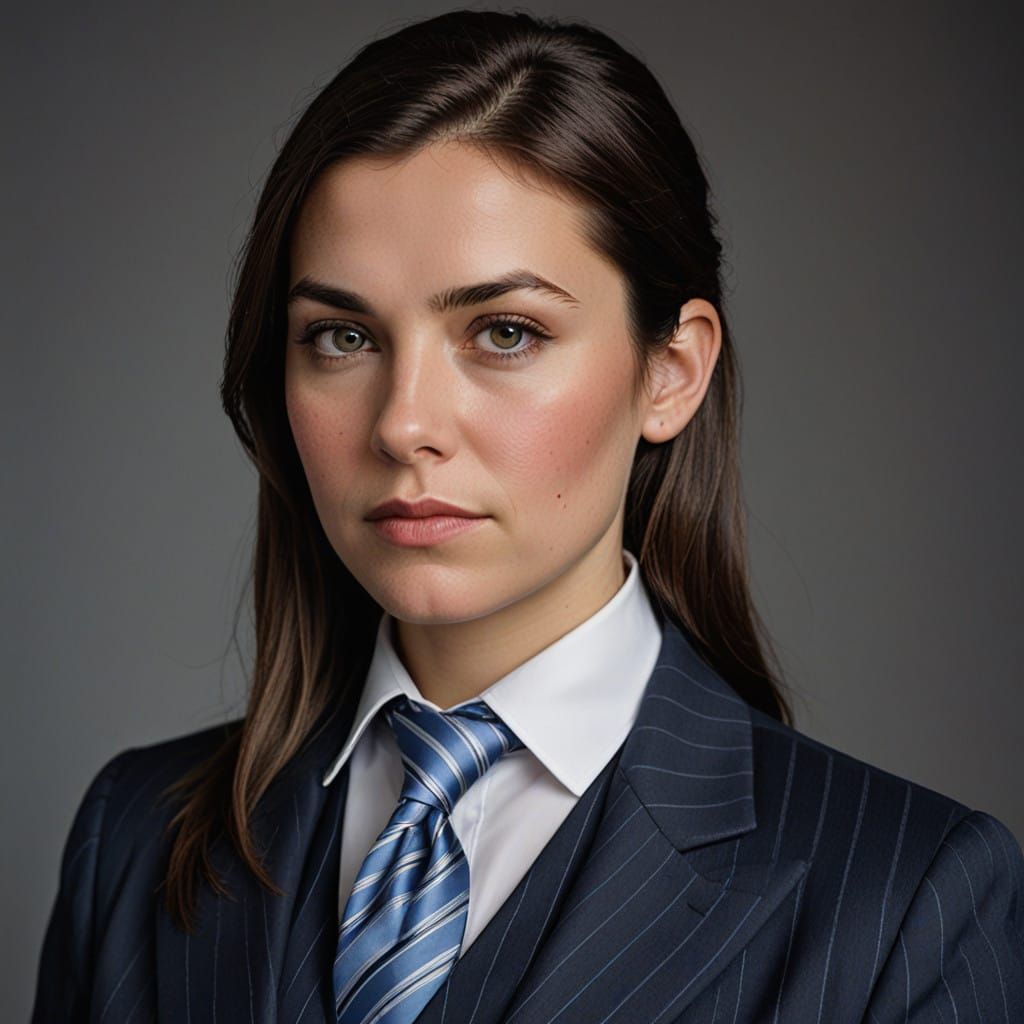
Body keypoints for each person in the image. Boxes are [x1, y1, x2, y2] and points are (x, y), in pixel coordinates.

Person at [32, 9, 1024, 1023]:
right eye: (339, 336)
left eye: (504, 332)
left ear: (669, 373)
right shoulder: (136, 840)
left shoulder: (905, 899)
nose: (405, 423)